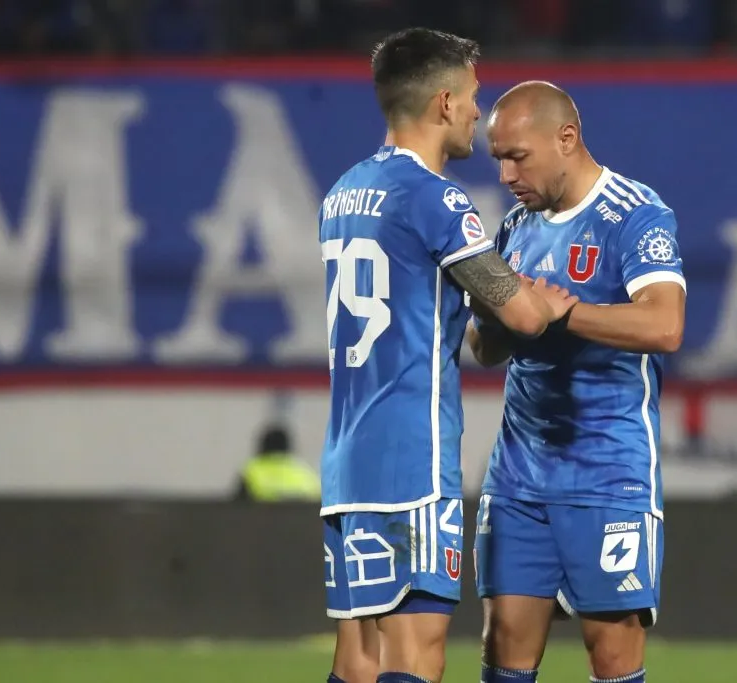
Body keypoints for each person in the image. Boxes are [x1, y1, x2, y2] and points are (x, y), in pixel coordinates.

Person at [318, 33, 578, 683]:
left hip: (347, 459)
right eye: (471, 96)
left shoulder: (343, 193)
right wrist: (544, 300)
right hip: (411, 456)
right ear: (442, 102)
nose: (475, 112)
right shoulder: (434, 197)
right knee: (416, 652)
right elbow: (522, 315)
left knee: (358, 658)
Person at [469, 81, 687, 683]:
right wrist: (494, 306)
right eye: (499, 159)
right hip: (518, 474)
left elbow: (665, 326)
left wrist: (563, 314)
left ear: (566, 138)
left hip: (609, 472)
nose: (507, 175)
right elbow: (485, 350)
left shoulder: (635, 214)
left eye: (518, 157)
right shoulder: (515, 226)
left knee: (612, 655)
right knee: (503, 646)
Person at [233, 424, 321, 502]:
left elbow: (236, 506)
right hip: (303, 515)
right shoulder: (305, 471)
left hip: (265, 515)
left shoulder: (251, 470)